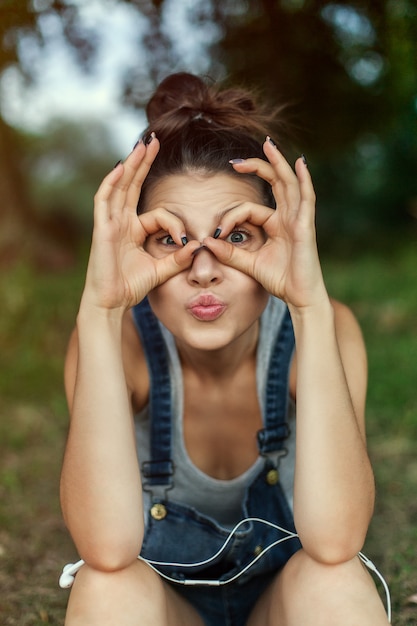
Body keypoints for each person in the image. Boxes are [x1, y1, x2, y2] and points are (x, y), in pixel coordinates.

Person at [60, 72, 390, 625]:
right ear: (136, 248)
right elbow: (108, 550)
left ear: (277, 241)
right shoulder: (117, 341)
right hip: (167, 611)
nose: (205, 270)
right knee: (105, 589)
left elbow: (335, 542)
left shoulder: (325, 326)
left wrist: (309, 308)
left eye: (236, 235)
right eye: (171, 239)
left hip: (283, 607)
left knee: (334, 582)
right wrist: (98, 312)